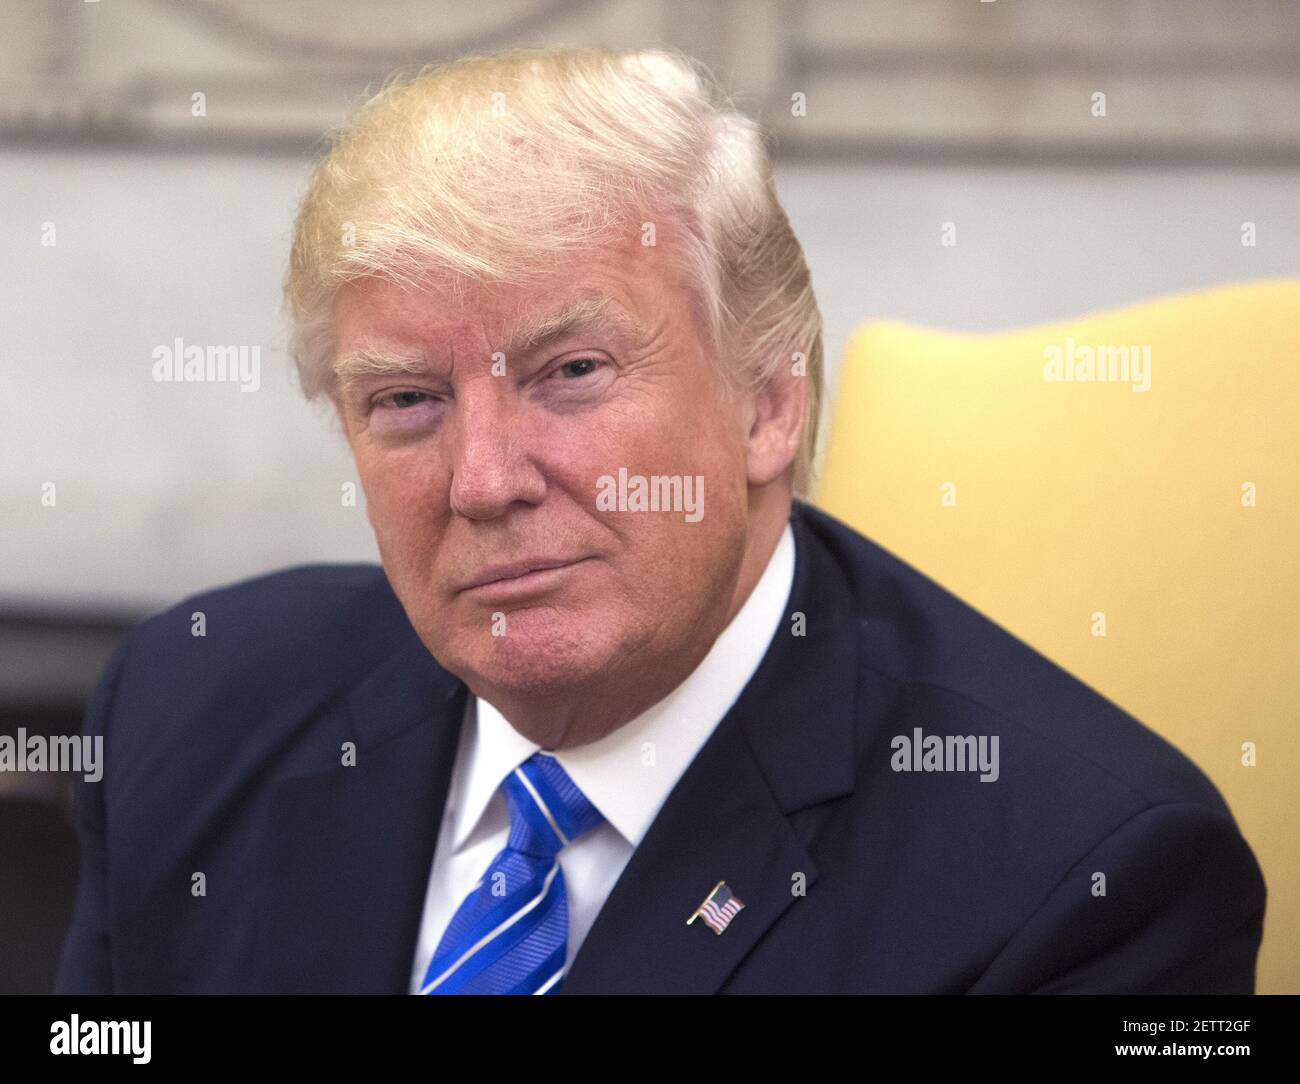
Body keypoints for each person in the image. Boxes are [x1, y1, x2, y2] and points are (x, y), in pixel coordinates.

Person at [54, 45, 1265, 994]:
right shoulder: (188, 709)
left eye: (570, 372)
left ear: (768, 403)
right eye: (408, 400)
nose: (483, 480)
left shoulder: (1090, 883)